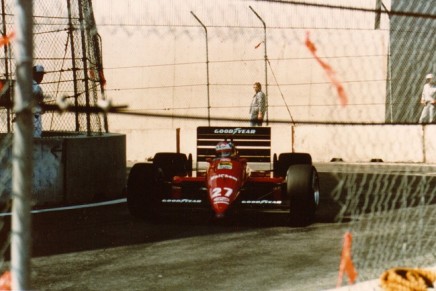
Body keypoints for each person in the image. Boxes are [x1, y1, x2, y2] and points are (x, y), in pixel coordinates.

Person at [33, 64, 45, 137]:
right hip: (35, 117)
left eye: (42, 75)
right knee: (36, 138)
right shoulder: (37, 88)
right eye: (40, 75)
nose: (41, 77)